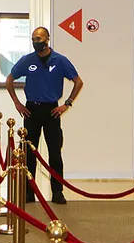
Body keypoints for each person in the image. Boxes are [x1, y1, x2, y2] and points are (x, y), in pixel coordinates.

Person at [6, 27, 83, 204]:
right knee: (29, 153)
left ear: (47, 39)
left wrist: (67, 104)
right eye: (33, 39)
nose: (36, 42)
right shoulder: (27, 60)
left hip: (52, 111)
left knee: (54, 152)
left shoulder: (60, 60)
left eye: (39, 39)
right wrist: (17, 103)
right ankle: (29, 192)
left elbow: (78, 82)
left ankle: (57, 192)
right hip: (31, 110)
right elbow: (9, 80)